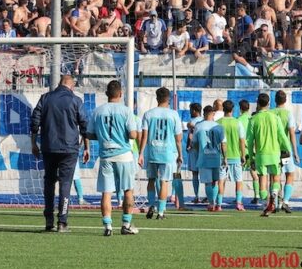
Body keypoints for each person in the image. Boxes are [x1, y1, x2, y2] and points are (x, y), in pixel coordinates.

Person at [30, 75, 90, 233]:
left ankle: (48, 220)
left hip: (49, 147)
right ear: (71, 86)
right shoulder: (76, 101)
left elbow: (35, 121)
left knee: (49, 183)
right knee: (65, 184)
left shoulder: (45, 98)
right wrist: (87, 147)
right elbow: (84, 125)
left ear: (59, 84)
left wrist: (33, 143)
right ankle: (62, 222)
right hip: (69, 149)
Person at [85, 80, 139, 236]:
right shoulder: (126, 111)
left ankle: (107, 227)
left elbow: (88, 134)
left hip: (106, 156)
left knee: (106, 193)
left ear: (107, 94)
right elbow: (132, 134)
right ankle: (126, 224)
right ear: (120, 94)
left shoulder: (97, 111)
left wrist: (102, 138)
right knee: (128, 190)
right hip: (124, 155)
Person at [138, 87, 183, 220]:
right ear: (168, 99)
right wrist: (180, 154)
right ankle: (161, 212)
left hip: (152, 152)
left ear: (157, 98)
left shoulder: (148, 114)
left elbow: (144, 136)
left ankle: (151, 205)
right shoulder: (173, 114)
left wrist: (141, 153)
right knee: (164, 182)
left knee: (151, 180)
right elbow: (178, 138)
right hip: (167, 154)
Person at [246, 93, 292, 217]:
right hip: (275, 154)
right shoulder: (274, 117)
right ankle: (274, 193)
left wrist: (251, 157)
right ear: (268, 103)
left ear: (257, 104)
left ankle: (266, 202)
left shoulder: (253, 119)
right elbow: (282, 136)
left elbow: (249, 142)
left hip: (261, 155)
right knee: (276, 178)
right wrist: (287, 149)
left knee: (262, 180)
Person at [192, 105, 227, 212]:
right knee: (215, 181)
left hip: (204, 157)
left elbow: (194, 143)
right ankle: (216, 204)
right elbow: (223, 144)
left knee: (208, 182)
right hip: (216, 157)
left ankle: (211, 204)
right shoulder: (218, 126)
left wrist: (200, 152)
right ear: (213, 114)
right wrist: (225, 157)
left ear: (204, 113)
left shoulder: (199, 126)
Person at [270, 90, 299, 213]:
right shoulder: (288, 114)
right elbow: (292, 133)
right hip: (285, 150)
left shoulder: (270, 113)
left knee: (275, 176)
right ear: (285, 100)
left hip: (272, 149)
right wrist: (295, 151)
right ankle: (285, 201)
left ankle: (275, 203)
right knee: (289, 174)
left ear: (274, 100)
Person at [217, 100, 247, 211]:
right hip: (235, 156)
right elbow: (242, 141)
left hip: (221, 157)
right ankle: (239, 203)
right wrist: (243, 155)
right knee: (239, 180)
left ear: (223, 109)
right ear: (233, 110)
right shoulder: (237, 122)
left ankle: (219, 204)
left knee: (221, 180)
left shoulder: (218, 123)